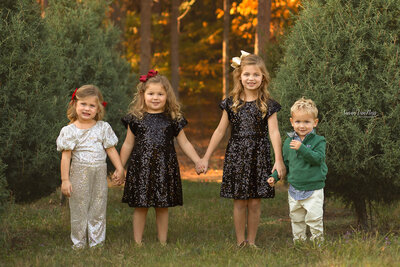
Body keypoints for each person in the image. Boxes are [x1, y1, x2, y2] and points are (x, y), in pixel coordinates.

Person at [197, 51, 286, 248]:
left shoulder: (268, 105)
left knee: (254, 202)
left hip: (259, 156)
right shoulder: (231, 103)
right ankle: (240, 242)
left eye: (256, 74)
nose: (251, 78)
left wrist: (278, 159)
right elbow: (220, 131)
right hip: (236, 155)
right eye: (247, 74)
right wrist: (205, 157)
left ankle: (252, 241)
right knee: (239, 201)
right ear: (240, 76)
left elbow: (274, 133)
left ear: (263, 77)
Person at [114, 70, 202, 246]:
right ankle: (138, 242)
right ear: (143, 95)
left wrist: (198, 160)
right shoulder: (136, 119)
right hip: (141, 167)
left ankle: (162, 242)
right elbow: (128, 144)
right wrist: (120, 167)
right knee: (141, 206)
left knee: (162, 206)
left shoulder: (172, 119)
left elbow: (184, 143)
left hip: (164, 166)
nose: (155, 98)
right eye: (151, 93)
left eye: (160, 94)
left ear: (167, 96)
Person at [56, 85, 125, 249]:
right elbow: (66, 157)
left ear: (98, 108)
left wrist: (120, 168)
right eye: (83, 104)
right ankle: (79, 243)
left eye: (92, 105)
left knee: (98, 207)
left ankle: (97, 243)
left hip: (99, 174)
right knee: (79, 209)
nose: (87, 108)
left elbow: (111, 150)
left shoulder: (103, 128)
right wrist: (65, 180)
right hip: (79, 174)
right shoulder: (70, 130)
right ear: (75, 105)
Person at [268, 97, 327, 243]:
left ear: (315, 122)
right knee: (296, 219)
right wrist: (274, 176)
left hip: (313, 188)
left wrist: (302, 149)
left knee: (314, 219)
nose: (302, 126)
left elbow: (318, 159)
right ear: (292, 122)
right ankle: (299, 244)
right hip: (295, 188)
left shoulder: (319, 141)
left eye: (307, 122)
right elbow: (286, 164)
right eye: (298, 122)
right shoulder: (288, 142)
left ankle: (317, 244)